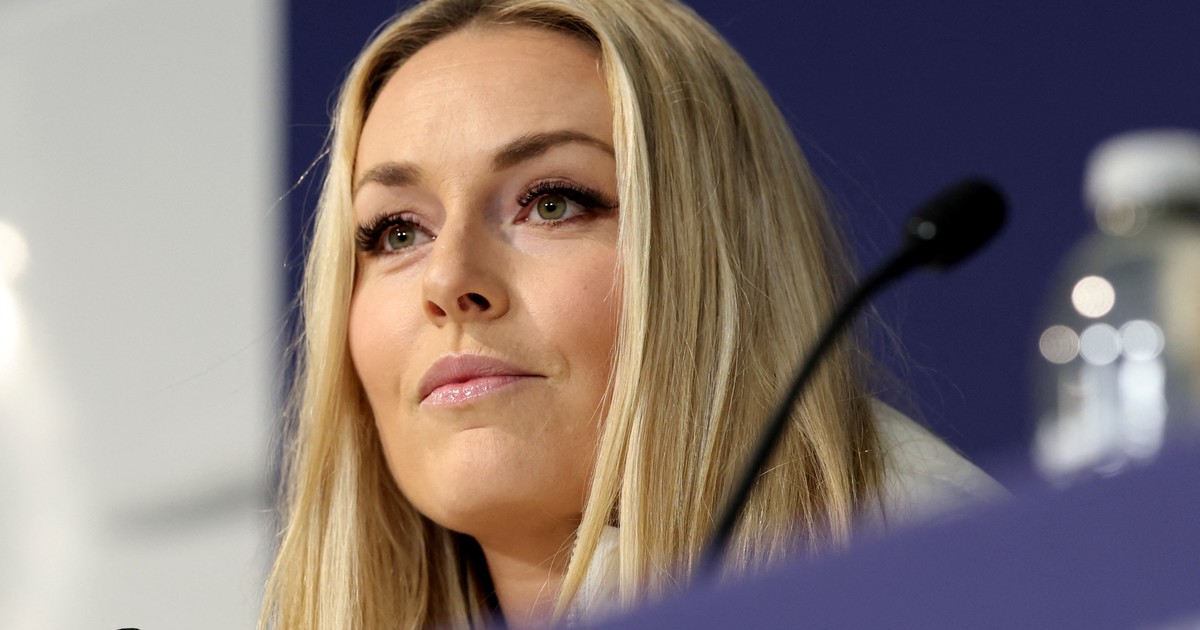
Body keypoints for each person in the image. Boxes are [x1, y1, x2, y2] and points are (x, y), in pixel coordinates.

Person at [262, 0, 1003, 628]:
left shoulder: (959, 582)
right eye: (397, 232)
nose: (449, 280)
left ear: (710, 255)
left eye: (552, 203)